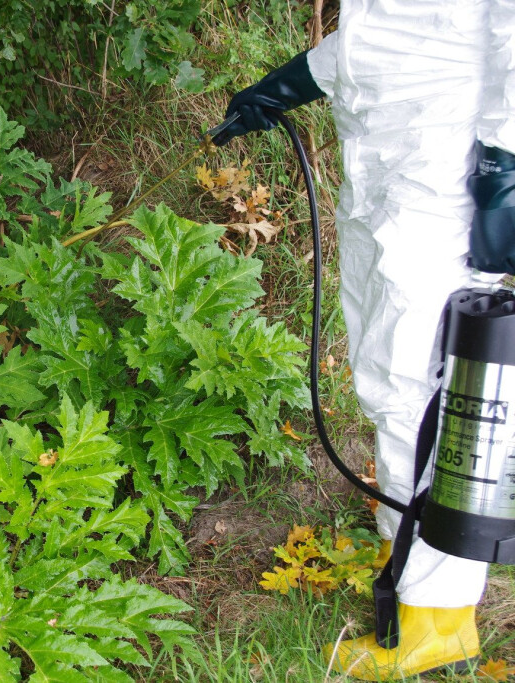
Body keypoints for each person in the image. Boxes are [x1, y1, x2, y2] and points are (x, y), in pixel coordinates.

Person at [213, 2, 515, 679]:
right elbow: (394, 26)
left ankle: (440, 617)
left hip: (449, 169)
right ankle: (406, 550)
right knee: (383, 369)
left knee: (425, 382)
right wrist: (291, 82)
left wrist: (506, 164)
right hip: (384, 160)